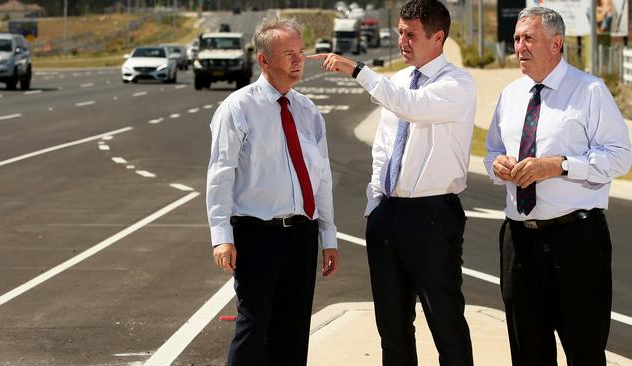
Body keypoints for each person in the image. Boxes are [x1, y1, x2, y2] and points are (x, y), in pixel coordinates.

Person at [308, 0, 475, 364]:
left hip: (433, 217)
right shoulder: (398, 82)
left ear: (438, 37)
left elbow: (410, 106)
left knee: (445, 323)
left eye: (411, 34)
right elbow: (384, 148)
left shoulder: (456, 84)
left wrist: (359, 71)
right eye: (400, 31)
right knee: (392, 328)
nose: (403, 40)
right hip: (388, 215)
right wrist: (374, 201)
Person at [484, 6, 631, 365]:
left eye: (529, 38)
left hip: (576, 243)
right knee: (527, 353)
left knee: (584, 352)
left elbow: (620, 157)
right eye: (517, 38)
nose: (520, 46)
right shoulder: (511, 95)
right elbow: (492, 151)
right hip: (518, 242)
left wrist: (561, 166)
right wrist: (497, 165)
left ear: (556, 43)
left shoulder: (589, 91)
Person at [205, 16, 339, 366]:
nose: (298, 62)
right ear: (264, 60)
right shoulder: (237, 108)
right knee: (253, 329)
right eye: (288, 54)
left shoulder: (308, 111)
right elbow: (220, 174)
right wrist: (222, 236)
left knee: (293, 332)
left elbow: (320, 178)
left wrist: (328, 236)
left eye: (301, 52)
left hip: (302, 235)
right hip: (256, 235)